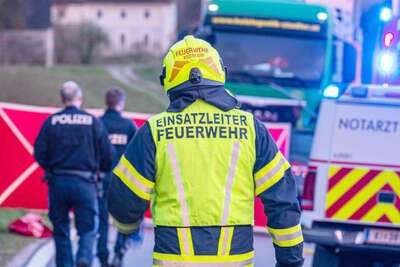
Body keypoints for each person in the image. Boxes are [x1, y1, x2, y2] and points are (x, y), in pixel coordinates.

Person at [107, 35, 304, 267]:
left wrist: (128, 226)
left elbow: (124, 202)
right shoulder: (250, 129)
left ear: (168, 78)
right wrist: (290, 261)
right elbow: (282, 200)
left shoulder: (155, 131)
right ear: (220, 72)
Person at [34, 81, 114, 267]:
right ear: (80, 98)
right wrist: (100, 172)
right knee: (87, 228)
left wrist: (50, 169)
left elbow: (39, 152)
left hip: (58, 182)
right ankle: (84, 257)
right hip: (85, 183)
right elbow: (109, 155)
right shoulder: (93, 122)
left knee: (60, 229)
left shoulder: (51, 122)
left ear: (62, 99)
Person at [97, 88, 138, 267]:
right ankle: (119, 251)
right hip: (122, 181)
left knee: (102, 220)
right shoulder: (129, 125)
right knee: (123, 219)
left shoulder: (97, 124)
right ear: (121, 103)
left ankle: (102, 256)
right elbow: (136, 154)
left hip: (101, 178)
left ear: (107, 103)